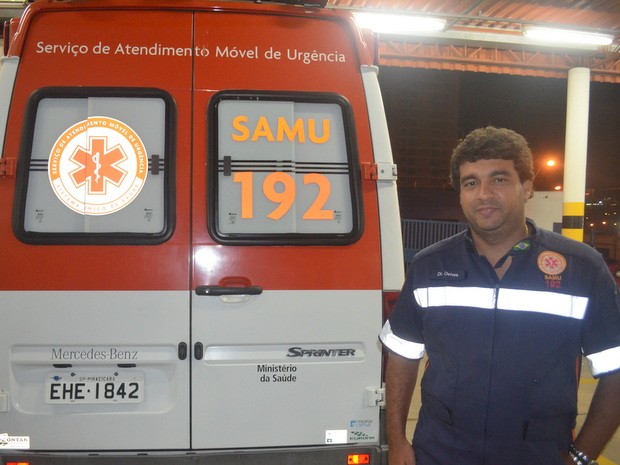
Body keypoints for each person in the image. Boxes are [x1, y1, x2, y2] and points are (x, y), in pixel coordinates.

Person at [380, 126, 620, 465]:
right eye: (471, 183)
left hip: (538, 454)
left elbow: (616, 370)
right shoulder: (429, 267)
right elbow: (402, 355)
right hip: (442, 451)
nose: (484, 194)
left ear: (527, 187)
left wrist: (581, 456)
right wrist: (396, 440)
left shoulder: (582, 269)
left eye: (499, 179)